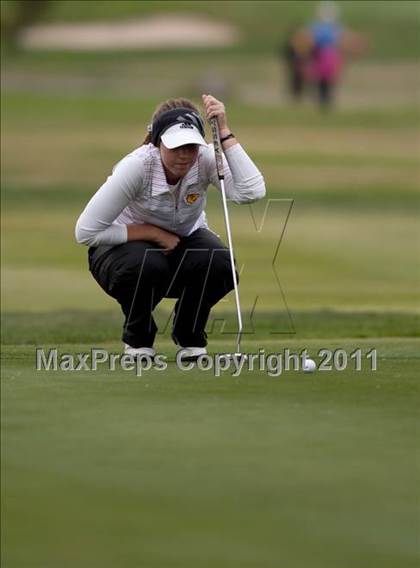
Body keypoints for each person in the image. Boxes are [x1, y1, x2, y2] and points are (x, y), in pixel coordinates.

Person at [75, 94, 266, 361]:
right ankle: (138, 342)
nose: (184, 155)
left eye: (191, 146)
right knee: (146, 263)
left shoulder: (205, 159)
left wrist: (223, 130)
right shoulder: (137, 166)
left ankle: (191, 341)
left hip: (179, 249)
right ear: (158, 143)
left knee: (220, 264)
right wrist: (153, 233)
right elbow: (85, 232)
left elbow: (252, 191)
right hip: (119, 253)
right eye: (176, 147)